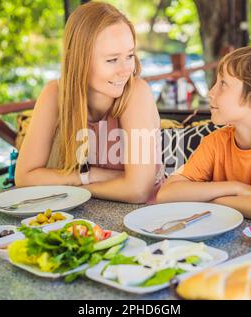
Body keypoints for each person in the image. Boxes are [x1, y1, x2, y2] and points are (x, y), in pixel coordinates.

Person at [15, 2, 163, 204]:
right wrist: (90, 175)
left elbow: (138, 191)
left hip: (142, 219)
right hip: (81, 216)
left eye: (129, 56)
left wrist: (75, 187)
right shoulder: (55, 94)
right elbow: (25, 177)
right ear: (79, 59)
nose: (126, 70)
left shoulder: (136, 93)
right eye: (112, 60)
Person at [156, 46, 251, 224]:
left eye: (223, 84)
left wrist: (212, 201)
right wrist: (237, 188)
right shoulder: (215, 142)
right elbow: (166, 194)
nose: (210, 92)